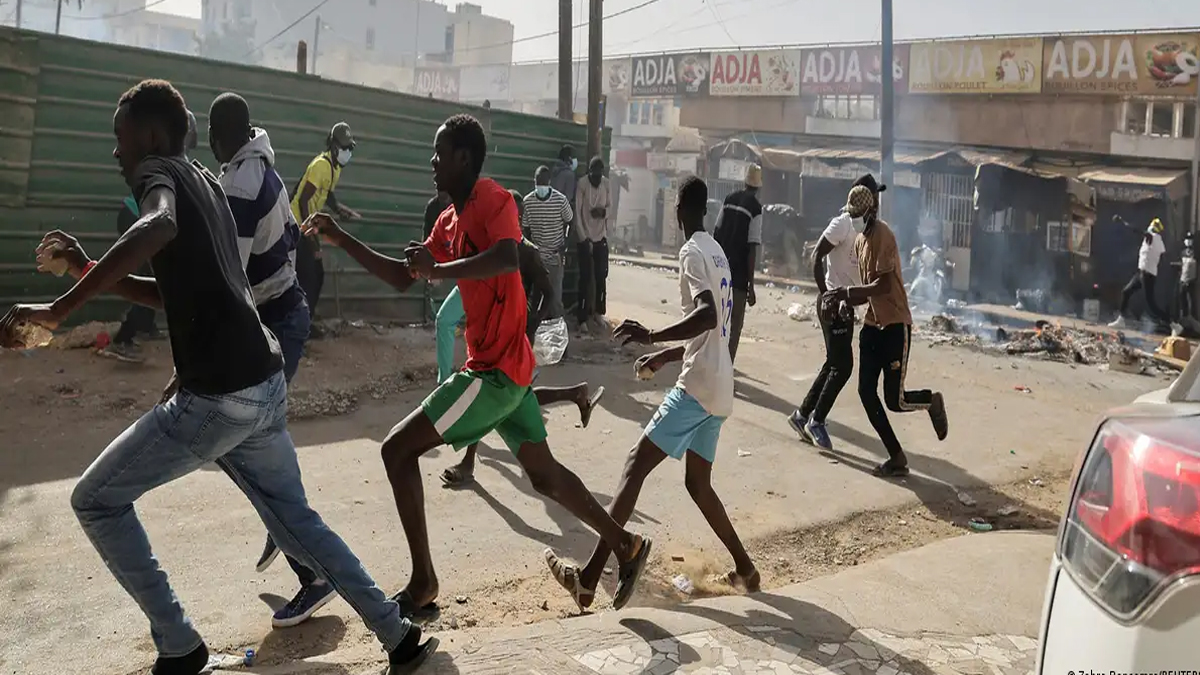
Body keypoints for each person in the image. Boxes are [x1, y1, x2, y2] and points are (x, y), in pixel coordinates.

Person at [3, 79, 434, 675]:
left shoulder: (160, 175)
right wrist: (84, 266)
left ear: (151, 136)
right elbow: (175, 294)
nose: (115, 151)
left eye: (119, 136)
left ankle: (179, 645)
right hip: (264, 384)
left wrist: (58, 311)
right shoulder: (207, 182)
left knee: (96, 501)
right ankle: (399, 635)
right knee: (297, 519)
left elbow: (155, 227)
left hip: (220, 397)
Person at [300, 113, 653, 618]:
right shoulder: (449, 221)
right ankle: (627, 547)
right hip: (507, 372)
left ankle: (423, 583)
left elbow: (508, 256)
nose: (432, 162)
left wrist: (441, 269)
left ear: (464, 158)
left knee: (397, 451)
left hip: (493, 372)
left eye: (439, 153)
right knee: (546, 476)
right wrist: (341, 239)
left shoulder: (494, 201)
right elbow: (405, 278)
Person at [544, 176, 758, 612]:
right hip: (720, 386)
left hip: (698, 387)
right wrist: (666, 357)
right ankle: (746, 569)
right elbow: (715, 329)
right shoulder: (717, 253)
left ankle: (589, 577)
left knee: (633, 465)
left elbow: (705, 315)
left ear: (679, 209)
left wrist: (651, 337)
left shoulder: (691, 252)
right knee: (698, 485)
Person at [206, 92, 334, 629]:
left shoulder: (240, 182)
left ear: (218, 136)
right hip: (281, 318)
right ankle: (287, 530)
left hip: (273, 325)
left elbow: (228, 281)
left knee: (241, 446)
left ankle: (309, 567)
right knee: (250, 448)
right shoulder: (255, 166)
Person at [440, 197, 607, 487]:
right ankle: (576, 394)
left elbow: (547, 291)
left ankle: (470, 463)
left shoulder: (526, 252)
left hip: (515, 335)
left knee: (492, 393)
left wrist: (531, 322)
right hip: (496, 333)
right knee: (515, 397)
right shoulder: (495, 247)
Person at [823, 184, 949, 478]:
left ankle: (931, 400)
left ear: (871, 212)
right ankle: (896, 456)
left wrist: (845, 294)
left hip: (894, 324)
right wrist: (845, 303)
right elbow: (863, 289)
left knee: (895, 400)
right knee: (866, 392)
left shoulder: (884, 237)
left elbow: (883, 285)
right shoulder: (859, 242)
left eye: (857, 215)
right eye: (851, 214)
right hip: (872, 324)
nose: (854, 220)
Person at [786, 174, 873, 450]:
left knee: (834, 363)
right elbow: (816, 257)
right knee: (843, 366)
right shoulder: (842, 225)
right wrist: (826, 296)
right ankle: (817, 421)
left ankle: (802, 415)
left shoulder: (865, 231)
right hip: (833, 303)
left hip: (845, 305)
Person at [102, 110, 198, 361]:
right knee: (150, 274)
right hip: (136, 217)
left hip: (138, 215)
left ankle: (146, 325)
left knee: (158, 273)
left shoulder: (171, 157)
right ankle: (123, 338)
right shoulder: (166, 159)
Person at [290, 121, 361, 324]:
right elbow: (303, 200)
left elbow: (327, 192)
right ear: (333, 146)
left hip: (307, 225)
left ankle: (305, 320)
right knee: (310, 275)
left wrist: (339, 209)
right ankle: (303, 323)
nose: (347, 151)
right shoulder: (321, 166)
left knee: (314, 275)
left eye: (349, 148)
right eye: (344, 147)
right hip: (298, 224)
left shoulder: (334, 167)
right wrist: (310, 234)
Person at [712, 164, 763, 364]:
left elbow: (716, 232)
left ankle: (712, 365)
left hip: (719, 269)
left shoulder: (729, 200)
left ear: (744, 182)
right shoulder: (755, 208)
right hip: (739, 276)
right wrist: (751, 284)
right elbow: (752, 247)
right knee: (733, 327)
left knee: (716, 321)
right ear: (758, 187)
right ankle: (725, 370)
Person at [523, 165, 573, 319]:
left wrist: (566, 244)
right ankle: (537, 332)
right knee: (536, 299)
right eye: (539, 183)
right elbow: (525, 229)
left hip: (555, 257)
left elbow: (571, 221)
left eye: (544, 183)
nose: (541, 187)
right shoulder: (528, 202)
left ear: (549, 182)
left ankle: (557, 333)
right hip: (537, 260)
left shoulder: (560, 200)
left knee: (555, 299)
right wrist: (530, 251)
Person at [1110, 218, 1167, 329]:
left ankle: (1174, 324)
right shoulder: (1154, 240)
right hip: (1142, 272)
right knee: (1126, 292)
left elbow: (1136, 230)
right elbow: (1161, 255)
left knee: (1152, 305)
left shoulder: (1153, 237)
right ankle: (1121, 320)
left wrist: (1122, 222)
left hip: (1147, 275)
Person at [575, 156, 612, 329]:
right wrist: (584, 239)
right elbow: (577, 213)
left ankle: (598, 313)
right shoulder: (582, 184)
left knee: (601, 276)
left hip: (601, 237)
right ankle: (582, 318)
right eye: (594, 176)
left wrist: (603, 212)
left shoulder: (606, 184)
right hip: (585, 238)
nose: (596, 179)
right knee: (584, 278)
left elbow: (611, 208)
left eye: (599, 176)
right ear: (589, 173)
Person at [550, 144, 578, 210]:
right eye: (574, 158)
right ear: (569, 158)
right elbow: (568, 197)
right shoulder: (569, 174)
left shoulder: (554, 170)